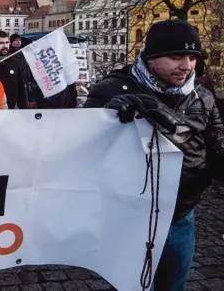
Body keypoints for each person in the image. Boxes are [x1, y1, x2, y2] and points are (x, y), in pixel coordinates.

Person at [84, 19, 224, 291]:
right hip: (127, 219)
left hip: (180, 218)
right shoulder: (110, 89)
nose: (186, 65)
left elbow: (217, 150)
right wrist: (106, 120)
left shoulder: (203, 97)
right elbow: (83, 153)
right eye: (176, 56)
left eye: (193, 57)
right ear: (150, 58)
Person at [0, 30, 29, 109]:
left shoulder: (15, 61)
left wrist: (24, 108)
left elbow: (21, 87)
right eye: (1, 43)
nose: (5, 46)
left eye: (7, 42)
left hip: (12, 108)